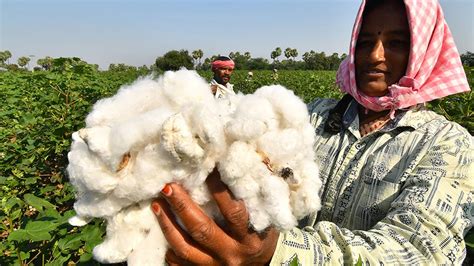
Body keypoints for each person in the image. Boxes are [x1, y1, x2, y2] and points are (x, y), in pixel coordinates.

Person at [151, 0, 473, 264]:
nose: (374, 55)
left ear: (425, 51)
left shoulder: (448, 145)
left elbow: (417, 250)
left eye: (397, 43)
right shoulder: (312, 115)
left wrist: (276, 251)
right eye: (365, 42)